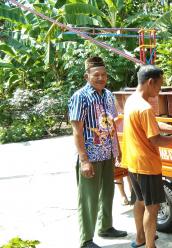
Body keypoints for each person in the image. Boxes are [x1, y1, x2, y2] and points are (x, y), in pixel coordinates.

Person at [121, 65, 172, 248]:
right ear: (150, 82)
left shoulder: (131, 101)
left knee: (140, 201)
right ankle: (150, 246)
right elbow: (156, 140)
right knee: (152, 207)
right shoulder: (145, 108)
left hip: (133, 162)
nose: (160, 89)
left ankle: (140, 238)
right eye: (159, 85)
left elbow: (152, 123)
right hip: (147, 165)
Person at [68, 56, 127, 248]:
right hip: (91, 156)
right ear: (87, 76)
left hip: (108, 153)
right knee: (89, 198)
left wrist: (117, 148)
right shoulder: (80, 97)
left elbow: (112, 124)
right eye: (96, 75)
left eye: (103, 74)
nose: (101, 78)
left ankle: (106, 227)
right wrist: (84, 160)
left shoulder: (109, 95)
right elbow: (77, 131)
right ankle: (86, 240)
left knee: (108, 193)